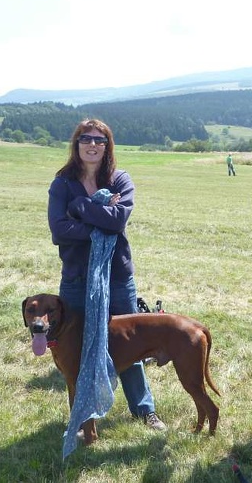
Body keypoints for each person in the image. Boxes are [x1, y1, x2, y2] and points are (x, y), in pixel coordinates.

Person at [47, 118, 166, 431]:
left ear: (107, 146)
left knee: (132, 345)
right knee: (76, 346)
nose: (92, 144)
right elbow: (59, 230)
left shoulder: (120, 180)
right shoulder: (62, 183)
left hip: (116, 277)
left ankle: (145, 410)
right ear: (76, 144)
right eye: (85, 138)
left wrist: (81, 207)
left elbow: (117, 221)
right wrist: (99, 223)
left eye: (99, 140)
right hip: (76, 278)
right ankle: (83, 415)